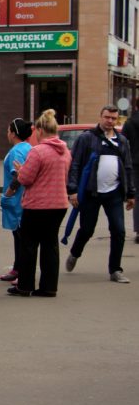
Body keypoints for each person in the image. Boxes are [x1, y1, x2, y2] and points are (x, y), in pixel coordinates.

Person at [5, 109, 71, 296]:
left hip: (37, 205)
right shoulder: (64, 151)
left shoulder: (38, 151)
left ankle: (25, 285)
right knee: (51, 246)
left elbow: (26, 178)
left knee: (29, 246)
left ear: (40, 130)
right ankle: (49, 287)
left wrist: (20, 170)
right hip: (59, 204)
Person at [66, 105, 135, 283]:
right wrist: (72, 190)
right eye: (107, 117)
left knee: (119, 231)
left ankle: (115, 270)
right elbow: (74, 165)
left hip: (114, 193)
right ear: (101, 117)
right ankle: (75, 253)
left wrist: (131, 193)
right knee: (87, 229)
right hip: (91, 192)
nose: (110, 121)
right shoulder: (87, 138)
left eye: (113, 118)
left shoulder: (122, 141)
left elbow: (128, 167)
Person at [0, 118, 33, 282]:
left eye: (8, 130)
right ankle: (17, 267)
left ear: (13, 133)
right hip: (23, 200)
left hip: (17, 201)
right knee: (19, 237)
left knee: (21, 237)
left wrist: (8, 194)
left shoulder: (17, 151)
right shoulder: (28, 147)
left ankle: (22, 271)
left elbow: (18, 176)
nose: (7, 133)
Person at [120, 97, 139, 244]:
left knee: (137, 197)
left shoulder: (130, 123)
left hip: (135, 164)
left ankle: (138, 230)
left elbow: (123, 143)